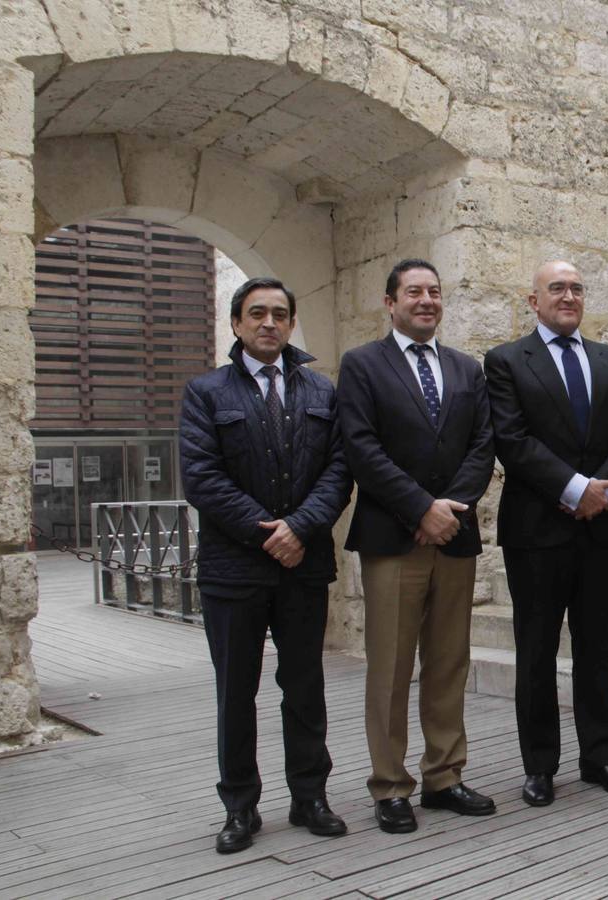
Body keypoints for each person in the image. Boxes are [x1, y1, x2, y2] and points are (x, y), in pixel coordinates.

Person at [180, 276, 352, 854]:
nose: (269, 323)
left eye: (280, 313)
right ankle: (240, 806)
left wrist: (299, 528)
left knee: (305, 686)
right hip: (233, 570)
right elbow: (202, 478)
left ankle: (310, 797)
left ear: (292, 323)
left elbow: (339, 470)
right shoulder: (206, 393)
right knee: (236, 692)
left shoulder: (322, 391)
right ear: (236, 323)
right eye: (257, 313)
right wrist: (269, 533)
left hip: (304, 565)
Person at [337, 259, 497, 833]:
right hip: (393, 538)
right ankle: (389, 784)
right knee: (391, 665)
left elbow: (483, 445)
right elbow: (361, 447)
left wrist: (448, 510)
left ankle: (444, 776)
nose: (426, 300)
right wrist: (420, 509)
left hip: (453, 535)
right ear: (390, 302)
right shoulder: (362, 365)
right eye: (413, 292)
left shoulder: (466, 369)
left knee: (449, 661)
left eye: (434, 291)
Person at [484, 260, 608, 807]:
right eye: (556, 288)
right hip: (537, 531)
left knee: (597, 647)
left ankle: (600, 758)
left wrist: (601, 493)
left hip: (602, 526)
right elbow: (512, 439)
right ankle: (539, 766)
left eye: (576, 287)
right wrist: (575, 489)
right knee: (537, 651)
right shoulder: (506, 361)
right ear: (534, 301)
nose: (568, 296)